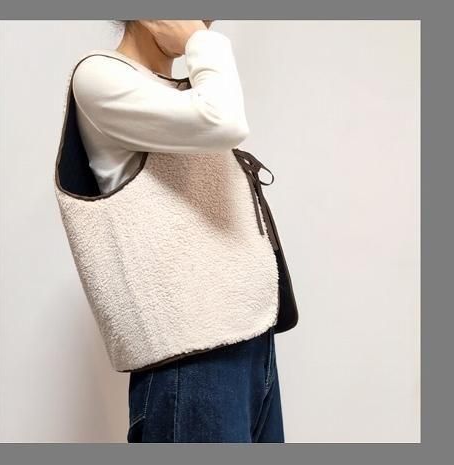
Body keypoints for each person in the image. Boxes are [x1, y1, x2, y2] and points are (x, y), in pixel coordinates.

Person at [71, 20, 286, 443]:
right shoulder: (100, 76)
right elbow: (224, 121)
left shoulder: (179, 94)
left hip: (251, 344)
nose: (204, 21)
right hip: (189, 361)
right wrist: (201, 43)